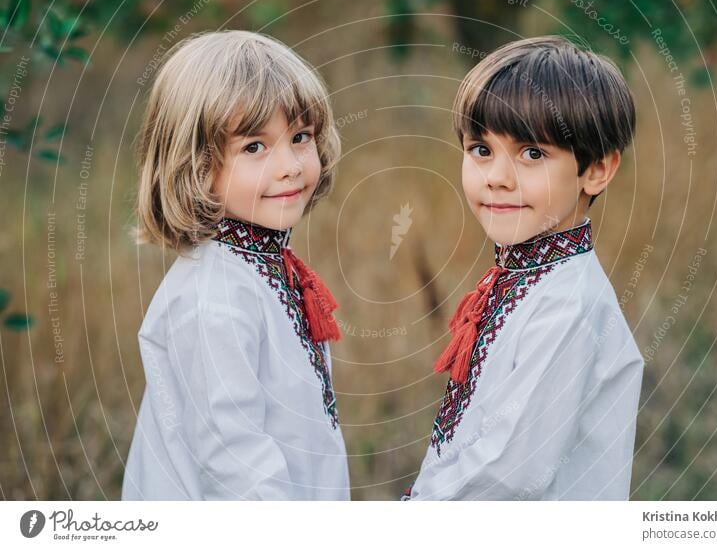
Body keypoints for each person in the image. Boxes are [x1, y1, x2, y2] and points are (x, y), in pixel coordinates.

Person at [405, 36, 644, 500]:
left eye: (532, 153)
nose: (496, 175)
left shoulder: (568, 304)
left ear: (595, 170)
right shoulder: (522, 280)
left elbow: (506, 473)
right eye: (480, 149)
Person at [122, 30, 349, 500]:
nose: (289, 165)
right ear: (197, 165)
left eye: (300, 137)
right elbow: (238, 467)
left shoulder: (266, 268)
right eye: (254, 147)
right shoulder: (214, 297)